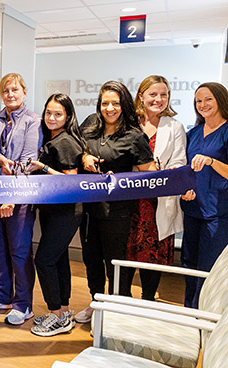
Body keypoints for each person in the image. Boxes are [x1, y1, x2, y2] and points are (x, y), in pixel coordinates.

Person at [75, 80, 156, 323]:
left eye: (115, 103)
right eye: (105, 103)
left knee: (115, 263)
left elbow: (149, 172)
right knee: (91, 259)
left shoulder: (134, 136)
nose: (109, 108)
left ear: (124, 105)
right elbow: (76, 148)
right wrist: (85, 156)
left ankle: (116, 311)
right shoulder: (90, 124)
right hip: (88, 209)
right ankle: (97, 304)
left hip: (117, 212)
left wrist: (122, 178)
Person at [0, 73, 41, 325]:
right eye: (6, 90)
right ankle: (2, 295)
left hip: (20, 194)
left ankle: (23, 303)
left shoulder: (33, 121)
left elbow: (28, 160)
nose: (10, 94)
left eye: (15, 90)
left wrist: (11, 196)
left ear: (24, 92)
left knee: (19, 250)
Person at [26, 93, 85, 336]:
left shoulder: (66, 142)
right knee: (58, 259)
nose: (51, 117)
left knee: (44, 259)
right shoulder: (51, 138)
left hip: (67, 212)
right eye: (48, 112)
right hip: (52, 211)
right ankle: (63, 312)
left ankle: (57, 314)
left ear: (68, 116)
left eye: (58, 114)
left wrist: (44, 168)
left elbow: (71, 181)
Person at [126, 76, 187, 301]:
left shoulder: (175, 127)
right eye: (153, 94)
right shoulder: (129, 123)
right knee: (126, 254)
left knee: (152, 257)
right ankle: (123, 300)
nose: (158, 99)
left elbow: (180, 161)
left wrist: (169, 170)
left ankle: (148, 300)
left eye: (164, 95)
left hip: (158, 201)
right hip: (130, 200)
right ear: (141, 96)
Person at [180, 82, 228, 308]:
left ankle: (204, 316)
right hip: (192, 209)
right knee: (189, 264)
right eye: (198, 101)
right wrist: (184, 189)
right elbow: (186, 170)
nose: (203, 105)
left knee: (208, 268)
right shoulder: (193, 133)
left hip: (218, 214)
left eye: (208, 99)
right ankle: (190, 312)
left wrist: (212, 161)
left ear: (220, 99)